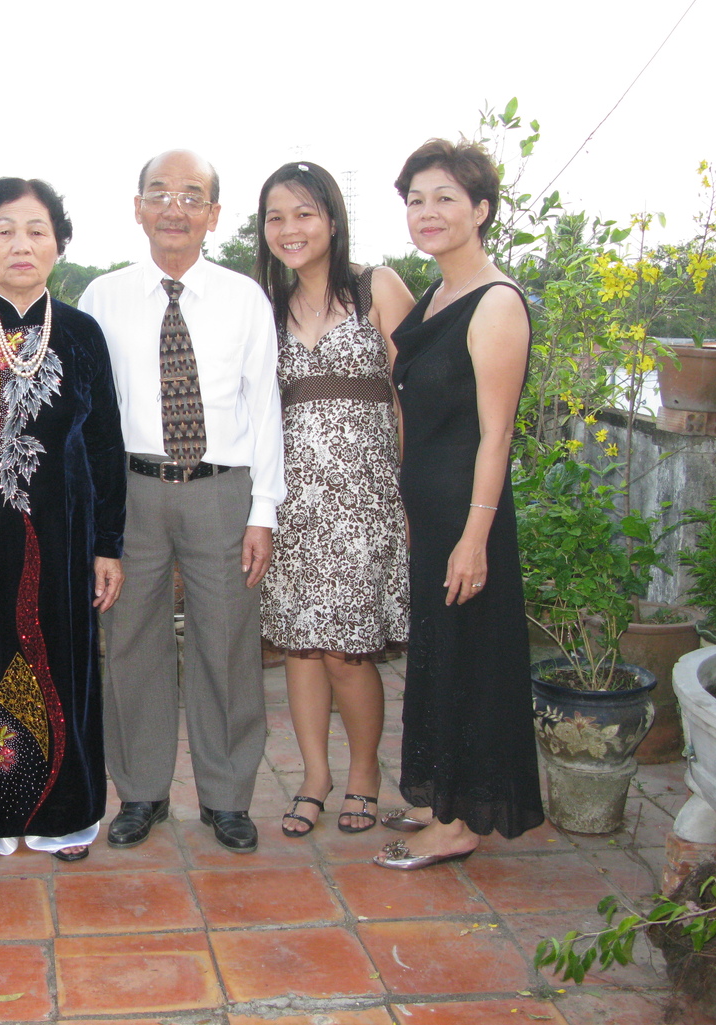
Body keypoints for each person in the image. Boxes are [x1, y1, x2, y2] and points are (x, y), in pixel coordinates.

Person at [79, 151, 284, 854]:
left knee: (226, 643)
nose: (175, 207)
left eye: (192, 195)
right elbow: (90, 414)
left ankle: (227, 797)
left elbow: (265, 408)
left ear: (214, 215)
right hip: (132, 490)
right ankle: (141, 791)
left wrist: (263, 510)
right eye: (160, 193)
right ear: (137, 207)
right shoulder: (103, 298)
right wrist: (97, 520)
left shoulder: (244, 298)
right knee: (130, 641)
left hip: (222, 491)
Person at [0, 177, 126, 866]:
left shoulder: (81, 333)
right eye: (4, 230)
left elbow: (104, 446)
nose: (21, 244)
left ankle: (66, 816)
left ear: (58, 245)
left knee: (62, 667)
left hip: (64, 539)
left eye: (37, 230)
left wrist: (107, 544)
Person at [375, 138, 544, 869]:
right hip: (434, 510)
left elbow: (495, 435)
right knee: (439, 657)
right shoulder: (437, 295)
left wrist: (474, 538)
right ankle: (440, 796)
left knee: (468, 660)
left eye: (445, 197)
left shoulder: (496, 302)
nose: (427, 212)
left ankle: (458, 823)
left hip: (469, 514)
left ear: (480, 209)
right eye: (416, 199)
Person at [254, 162, 414, 838]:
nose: (289, 229)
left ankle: (365, 773)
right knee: (301, 646)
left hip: (364, 503)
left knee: (347, 650)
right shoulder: (267, 308)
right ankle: (315, 777)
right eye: (276, 217)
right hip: (293, 504)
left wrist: (410, 493)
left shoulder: (377, 287)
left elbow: (415, 397)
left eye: (304, 213)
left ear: (332, 219)